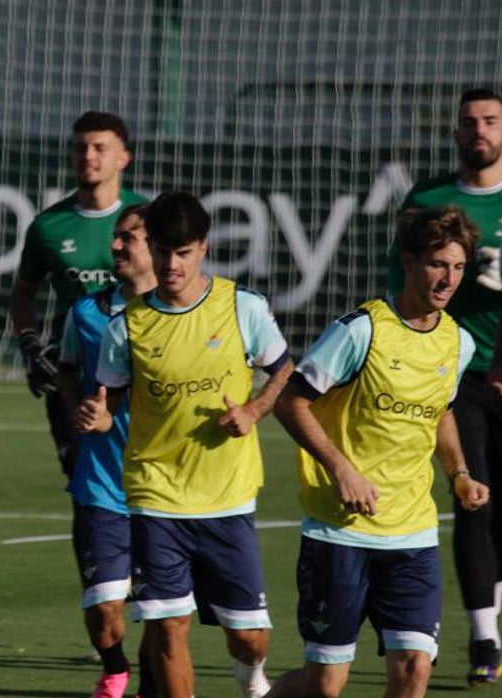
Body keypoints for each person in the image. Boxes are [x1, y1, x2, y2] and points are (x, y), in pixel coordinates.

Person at [77, 191, 292, 698]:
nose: (171, 264)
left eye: (185, 252)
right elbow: (110, 400)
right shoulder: (126, 325)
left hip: (228, 498)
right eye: (163, 250)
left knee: (249, 638)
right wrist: (102, 417)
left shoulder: (243, 307)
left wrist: (254, 410)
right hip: (156, 496)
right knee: (169, 628)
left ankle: (251, 674)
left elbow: (283, 370)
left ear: (204, 249)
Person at [272, 206, 491, 698]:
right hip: (340, 532)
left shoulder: (458, 342)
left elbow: (441, 411)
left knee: (414, 668)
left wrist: (458, 473)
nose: (449, 279)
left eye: (458, 267)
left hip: (412, 533)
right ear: (409, 262)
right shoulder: (360, 330)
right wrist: (341, 469)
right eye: (438, 264)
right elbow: (290, 401)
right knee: (325, 685)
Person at [406, 88, 502, 687]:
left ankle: (488, 611)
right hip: (456, 369)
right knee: (472, 495)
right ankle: (484, 634)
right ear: (456, 132)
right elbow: (406, 273)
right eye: (469, 121)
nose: (479, 130)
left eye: (491, 120)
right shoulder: (428, 199)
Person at [9, 111, 148, 479]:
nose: (88, 156)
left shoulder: (147, 218)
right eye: (80, 147)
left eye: (100, 147)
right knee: (86, 483)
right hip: (74, 373)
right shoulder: (49, 225)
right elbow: (23, 293)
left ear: (123, 158)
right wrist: (31, 346)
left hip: (141, 368)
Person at [57, 204, 156, 698]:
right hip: (102, 480)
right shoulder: (86, 311)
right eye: (115, 238)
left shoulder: (185, 312)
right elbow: (68, 370)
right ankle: (115, 668)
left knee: (162, 616)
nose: (115, 247)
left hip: (168, 488)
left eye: (127, 238)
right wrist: (81, 414)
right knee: (103, 609)